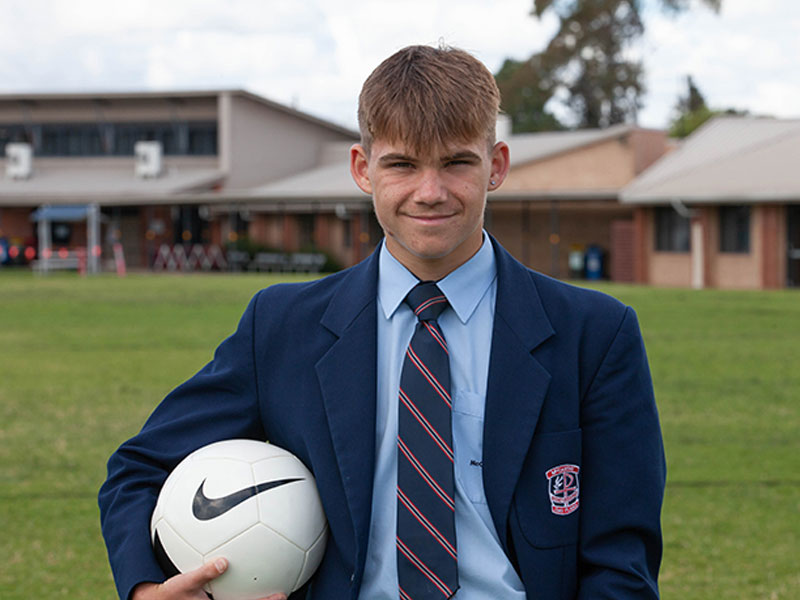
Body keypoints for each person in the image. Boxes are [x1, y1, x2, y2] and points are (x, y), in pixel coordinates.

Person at [100, 44, 666, 600]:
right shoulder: (281, 328)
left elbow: (622, 563)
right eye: (402, 164)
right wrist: (149, 588)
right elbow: (140, 467)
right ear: (362, 168)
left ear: (495, 166)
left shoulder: (594, 335)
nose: (430, 191)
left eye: (456, 163)